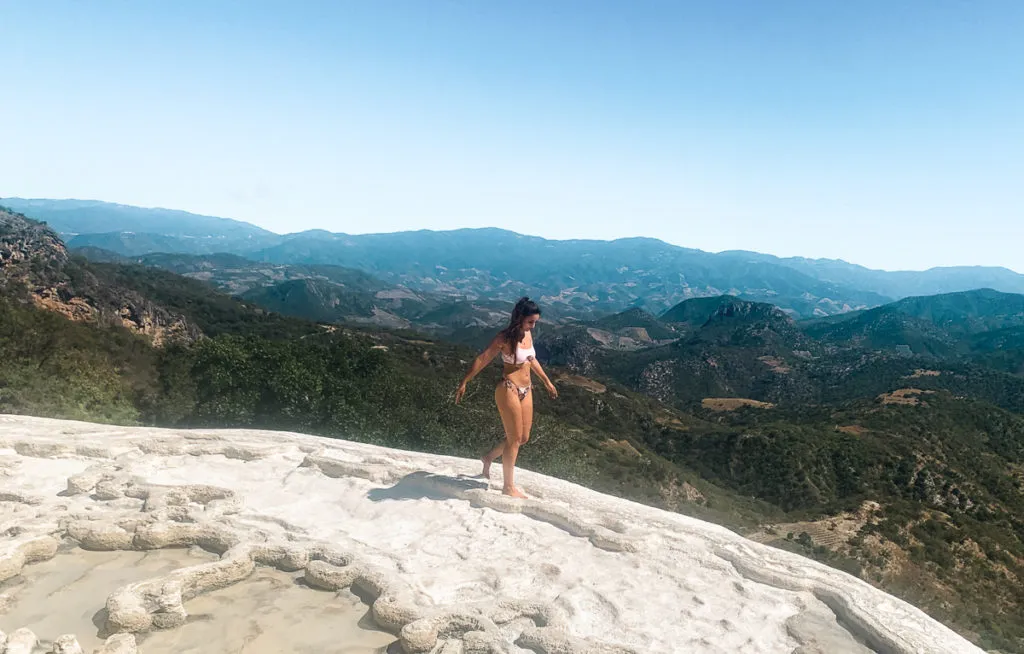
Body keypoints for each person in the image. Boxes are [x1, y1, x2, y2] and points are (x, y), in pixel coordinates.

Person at [454, 296, 557, 498]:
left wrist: (546, 381)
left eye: (535, 322)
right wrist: (465, 381)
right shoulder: (503, 338)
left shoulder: (527, 334)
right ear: (519, 318)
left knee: (523, 438)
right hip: (508, 387)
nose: (533, 326)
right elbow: (483, 358)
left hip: (527, 389)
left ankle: (488, 457)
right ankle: (508, 487)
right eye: (530, 321)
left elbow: (531, 359)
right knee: (514, 440)